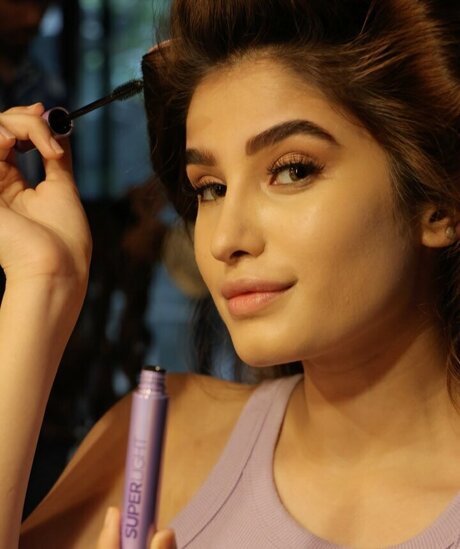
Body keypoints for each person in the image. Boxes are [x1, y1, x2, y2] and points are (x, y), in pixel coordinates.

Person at [2, 0, 460, 547]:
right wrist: (42, 283)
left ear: (439, 203)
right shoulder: (158, 438)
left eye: (292, 171)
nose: (224, 240)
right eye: (211, 189)